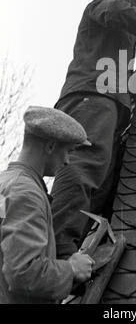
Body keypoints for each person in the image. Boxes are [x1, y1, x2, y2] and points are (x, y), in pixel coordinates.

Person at [50, 0, 136, 259]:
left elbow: (121, 77)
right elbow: (117, 11)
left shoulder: (122, 37)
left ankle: (74, 247)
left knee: (100, 181)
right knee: (85, 165)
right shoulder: (104, 6)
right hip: (91, 98)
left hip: (107, 105)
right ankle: (59, 245)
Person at [0, 106, 94, 304]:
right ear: (50, 146)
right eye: (68, 151)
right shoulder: (27, 194)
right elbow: (22, 272)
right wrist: (72, 269)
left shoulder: (6, 183)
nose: (68, 161)